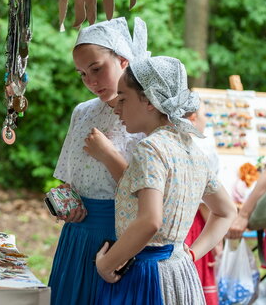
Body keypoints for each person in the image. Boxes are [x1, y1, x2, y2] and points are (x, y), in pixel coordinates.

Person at [94, 56, 236, 305]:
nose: (117, 109)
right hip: (180, 273)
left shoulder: (150, 148)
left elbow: (150, 220)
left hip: (146, 276)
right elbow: (226, 211)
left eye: (124, 99)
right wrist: (192, 254)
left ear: (149, 101)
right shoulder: (191, 149)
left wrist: (107, 263)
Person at [48, 17, 148, 304]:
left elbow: (146, 194)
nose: (90, 82)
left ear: (123, 60)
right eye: (81, 74)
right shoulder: (82, 112)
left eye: (96, 68)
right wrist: (63, 201)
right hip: (76, 236)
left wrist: (109, 155)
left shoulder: (145, 113)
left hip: (116, 238)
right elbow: (70, 178)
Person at [184, 105, 221, 305]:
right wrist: (216, 243)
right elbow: (206, 202)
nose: (207, 120)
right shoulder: (202, 146)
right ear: (193, 117)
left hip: (177, 219)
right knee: (194, 275)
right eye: (206, 115)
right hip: (195, 224)